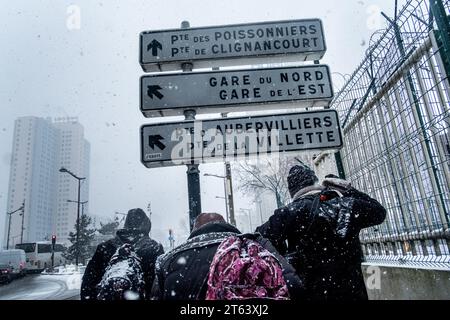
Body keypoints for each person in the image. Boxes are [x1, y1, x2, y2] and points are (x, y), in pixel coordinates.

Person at [256, 165, 387, 301]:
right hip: (352, 290)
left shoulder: (288, 213)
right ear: (315, 181)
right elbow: (379, 213)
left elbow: (260, 239)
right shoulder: (344, 206)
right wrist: (348, 190)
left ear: (292, 191)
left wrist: (283, 251)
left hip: (311, 293)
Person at [151, 213, 304, 300]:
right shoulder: (255, 244)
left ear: (194, 230)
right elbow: (293, 285)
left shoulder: (168, 260)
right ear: (227, 225)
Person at [81, 208, 164, 300]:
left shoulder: (106, 247)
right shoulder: (154, 248)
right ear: (147, 226)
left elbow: (88, 282)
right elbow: (161, 285)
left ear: (126, 224)